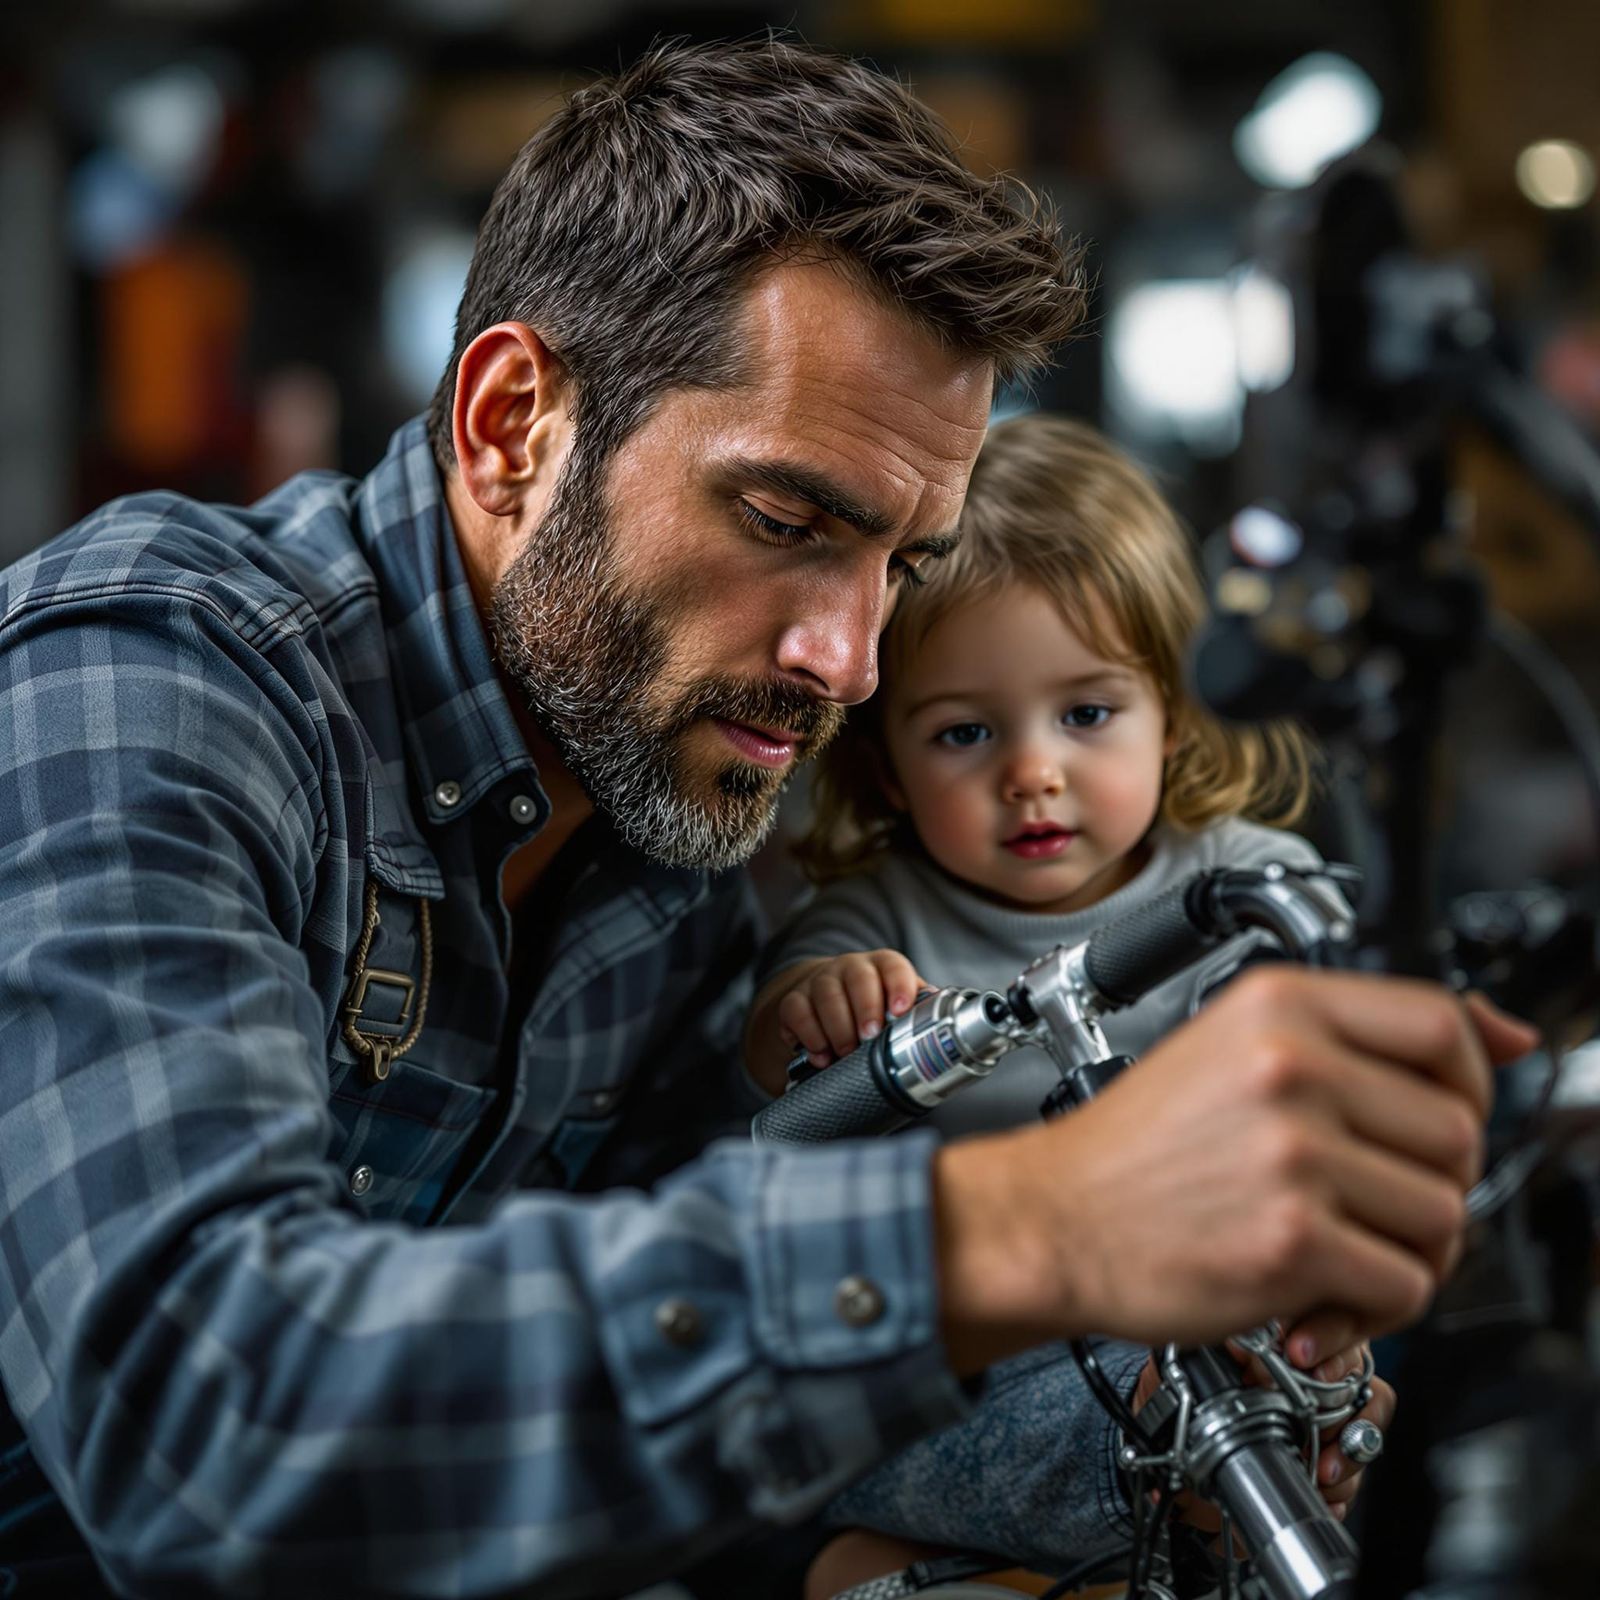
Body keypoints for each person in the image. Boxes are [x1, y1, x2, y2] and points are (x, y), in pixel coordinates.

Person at [0, 36, 1526, 1600]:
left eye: (902, 568)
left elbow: (644, 1422)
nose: (849, 665)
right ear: (514, 420)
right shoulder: (151, 685)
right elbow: (197, 1422)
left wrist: (1115, 1471)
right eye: (789, 523)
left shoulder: (660, 824)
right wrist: (1035, 1223)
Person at [744, 412, 1364, 1592]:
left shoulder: (1243, 877)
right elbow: (776, 1047)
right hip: (970, 1372)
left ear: (1173, 714)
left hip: (1208, 1328)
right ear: (884, 766)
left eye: (1086, 714)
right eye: (965, 732)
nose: (1032, 770)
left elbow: (1334, 996)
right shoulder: (883, 917)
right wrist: (814, 1005)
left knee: (1325, 1378)